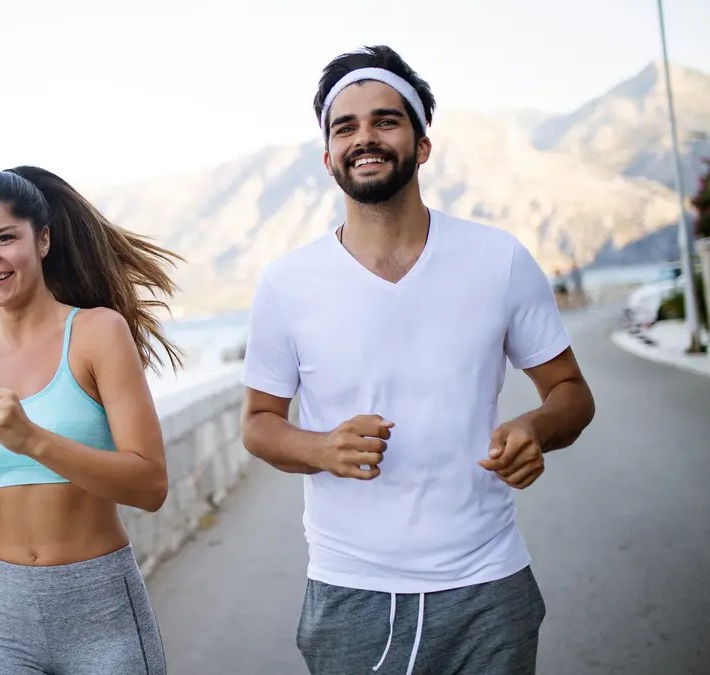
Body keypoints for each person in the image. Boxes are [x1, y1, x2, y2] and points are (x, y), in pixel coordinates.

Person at [240, 46, 596, 675]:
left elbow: (570, 391)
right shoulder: (286, 284)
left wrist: (534, 428)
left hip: (489, 584)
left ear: (422, 144)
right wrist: (322, 448)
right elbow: (259, 424)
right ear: (327, 158)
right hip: (351, 593)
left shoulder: (499, 259)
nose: (364, 138)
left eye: (385, 120)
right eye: (344, 127)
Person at [0, 165, 182, 674]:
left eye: (4, 238)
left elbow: (150, 485)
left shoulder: (98, 332)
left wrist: (33, 438)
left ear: (43, 240)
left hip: (98, 604)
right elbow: (8, 481)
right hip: (1, 609)